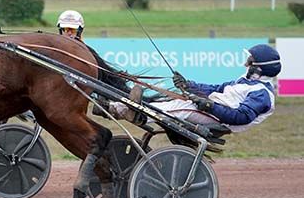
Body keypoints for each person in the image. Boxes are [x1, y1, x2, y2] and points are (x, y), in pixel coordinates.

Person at [108, 44, 281, 132]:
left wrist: (209, 106)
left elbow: (242, 117)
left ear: (258, 68)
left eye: (249, 61)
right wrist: (187, 85)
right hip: (213, 109)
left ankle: (127, 111)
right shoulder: (244, 82)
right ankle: (116, 107)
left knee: (181, 108)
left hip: (221, 120)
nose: (245, 63)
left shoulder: (262, 93)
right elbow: (214, 89)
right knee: (171, 99)